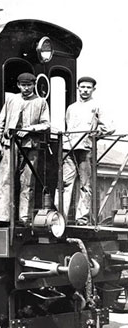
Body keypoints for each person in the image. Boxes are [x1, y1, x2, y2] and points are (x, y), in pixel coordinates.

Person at [0, 72, 50, 227]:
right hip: (10, 145)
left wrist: (30, 129)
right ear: (18, 85)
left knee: (28, 182)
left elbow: (46, 124)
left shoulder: (41, 102)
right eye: (23, 85)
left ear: (34, 85)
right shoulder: (11, 100)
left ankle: (25, 218)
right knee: (5, 180)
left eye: (29, 85)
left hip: (30, 146)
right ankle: (2, 217)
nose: (26, 88)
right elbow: (1, 123)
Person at [58, 76, 113, 225]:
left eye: (88, 87)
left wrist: (95, 134)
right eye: (82, 87)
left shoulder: (97, 106)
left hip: (85, 148)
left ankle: (82, 218)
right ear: (78, 88)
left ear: (93, 89)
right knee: (64, 183)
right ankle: (60, 217)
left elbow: (109, 127)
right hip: (68, 148)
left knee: (85, 184)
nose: (85, 90)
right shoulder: (72, 107)